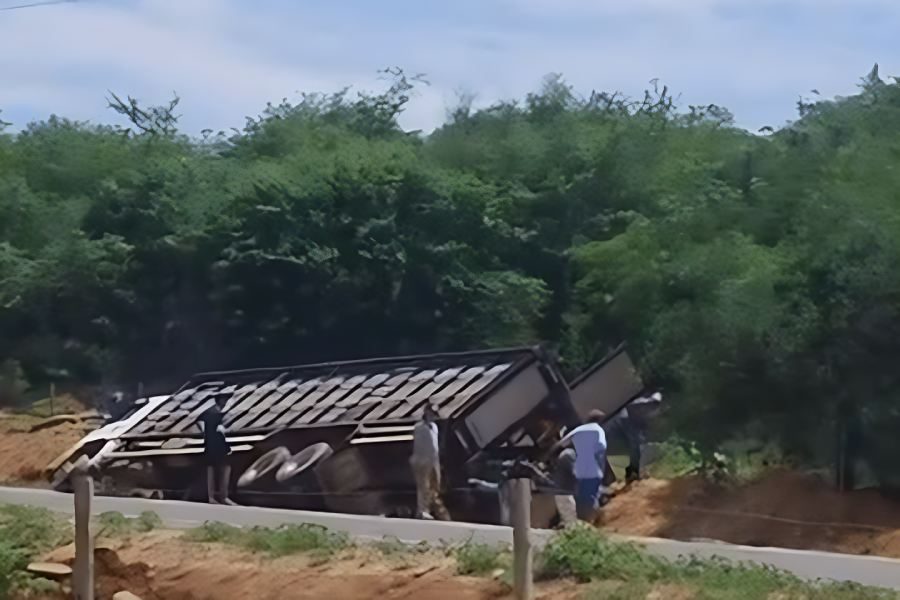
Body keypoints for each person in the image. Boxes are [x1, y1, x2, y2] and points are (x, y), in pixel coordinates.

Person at [551, 410, 607, 521]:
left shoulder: (569, 452)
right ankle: (590, 520)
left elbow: (561, 444)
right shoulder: (598, 432)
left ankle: (584, 521)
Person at [604, 391, 663, 482]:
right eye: (654, 402)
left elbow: (642, 421)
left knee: (636, 448)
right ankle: (633, 473)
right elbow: (630, 409)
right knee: (635, 447)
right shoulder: (642, 402)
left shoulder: (650, 409)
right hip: (624, 422)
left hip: (628, 424)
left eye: (657, 404)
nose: (655, 405)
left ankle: (632, 473)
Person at [197, 391, 235, 505]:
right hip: (214, 445)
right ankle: (215, 496)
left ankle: (220, 496)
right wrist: (206, 430)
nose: (226, 401)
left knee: (221, 468)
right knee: (213, 470)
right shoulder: (212, 412)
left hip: (217, 444)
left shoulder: (218, 412)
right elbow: (200, 420)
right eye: (224, 399)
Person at [410, 403, 441, 519]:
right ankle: (422, 510)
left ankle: (428, 508)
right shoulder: (419, 427)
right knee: (423, 486)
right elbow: (418, 446)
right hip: (422, 460)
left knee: (434, 486)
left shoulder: (434, 427)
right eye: (431, 414)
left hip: (433, 460)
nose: (433, 416)